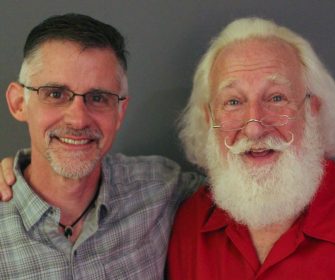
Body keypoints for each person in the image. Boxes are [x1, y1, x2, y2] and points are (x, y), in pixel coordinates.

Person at [0, 13, 202, 279]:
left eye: (98, 97)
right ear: (18, 103)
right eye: (55, 94)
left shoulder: (159, 187)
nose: (78, 118)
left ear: (120, 111)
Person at [167, 17, 335, 279]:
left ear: (312, 110)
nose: (254, 128)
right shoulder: (190, 221)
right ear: (209, 119)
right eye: (233, 102)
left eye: (277, 98)